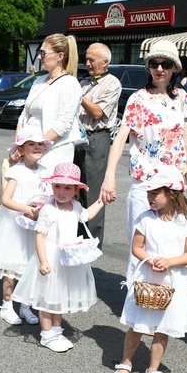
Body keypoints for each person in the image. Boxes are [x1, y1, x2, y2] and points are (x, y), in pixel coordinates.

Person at [101, 40, 187, 243]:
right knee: (140, 242)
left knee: (172, 243)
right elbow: (121, 139)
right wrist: (109, 177)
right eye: (154, 63)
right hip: (145, 182)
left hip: (174, 182)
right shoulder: (138, 98)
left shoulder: (182, 97)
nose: (159, 69)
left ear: (175, 67)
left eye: (166, 64)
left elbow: (185, 142)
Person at [112, 165, 187, 373]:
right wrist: (150, 259)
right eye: (148, 193)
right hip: (147, 278)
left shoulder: (185, 220)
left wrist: (169, 261)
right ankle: (126, 362)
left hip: (171, 280)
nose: (149, 197)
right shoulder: (145, 218)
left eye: (154, 193)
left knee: (163, 327)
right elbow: (137, 247)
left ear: (170, 193)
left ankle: (153, 369)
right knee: (137, 324)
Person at [11, 163, 103, 353]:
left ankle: (56, 330)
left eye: (67, 188)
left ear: (76, 190)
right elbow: (40, 236)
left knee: (59, 297)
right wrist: (43, 261)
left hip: (67, 260)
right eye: (57, 187)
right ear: (51, 187)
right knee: (47, 298)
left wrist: (102, 201)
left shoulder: (76, 206)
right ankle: (46, 334)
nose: (61, 192)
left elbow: (86, 216)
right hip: (51, 259)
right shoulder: (48, 209)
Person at [0, 126, 50, 325]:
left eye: (39, 144)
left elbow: (47, 196)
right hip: (15, 224)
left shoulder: (45, 171)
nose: (36, 148)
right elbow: (6, 200)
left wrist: (43, 209)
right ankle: (7, 305)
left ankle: (25, 305)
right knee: (12, 265)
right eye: (31, 144)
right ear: (22, 149)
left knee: (31, 265)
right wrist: (27, 208)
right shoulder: (17, 171)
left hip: (34, 224)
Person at [73, 43, 122, 244]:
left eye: (92, 59)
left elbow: (97, 113)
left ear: (105, 62)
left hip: (96, 139)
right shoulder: (84, 82)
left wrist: (79, 94)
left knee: (92, 192)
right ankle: (74, 237)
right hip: (77, 139)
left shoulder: (112, 84)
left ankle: (91, 243)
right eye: (86, 59)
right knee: (74, 189)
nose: (87, 63)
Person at [16, 34, 82, 170]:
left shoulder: (69, 83)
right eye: (39, 53)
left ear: (60, 56)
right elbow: (24, 116)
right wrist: (19, 144)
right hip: (29, 152)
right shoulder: (39, 81)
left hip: (54, 154)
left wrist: (37, 147)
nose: (39, 57)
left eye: (43, 53)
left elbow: (62, 125)